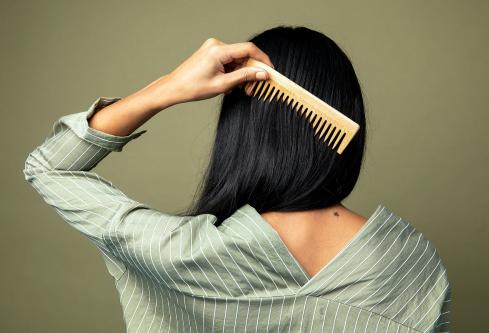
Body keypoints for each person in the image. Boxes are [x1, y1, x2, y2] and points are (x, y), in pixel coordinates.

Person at [23, 25, 451, 332]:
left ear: (240, 132)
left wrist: (168, 87)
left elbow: (49, 167)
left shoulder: (178, 253)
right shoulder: (413, 271)